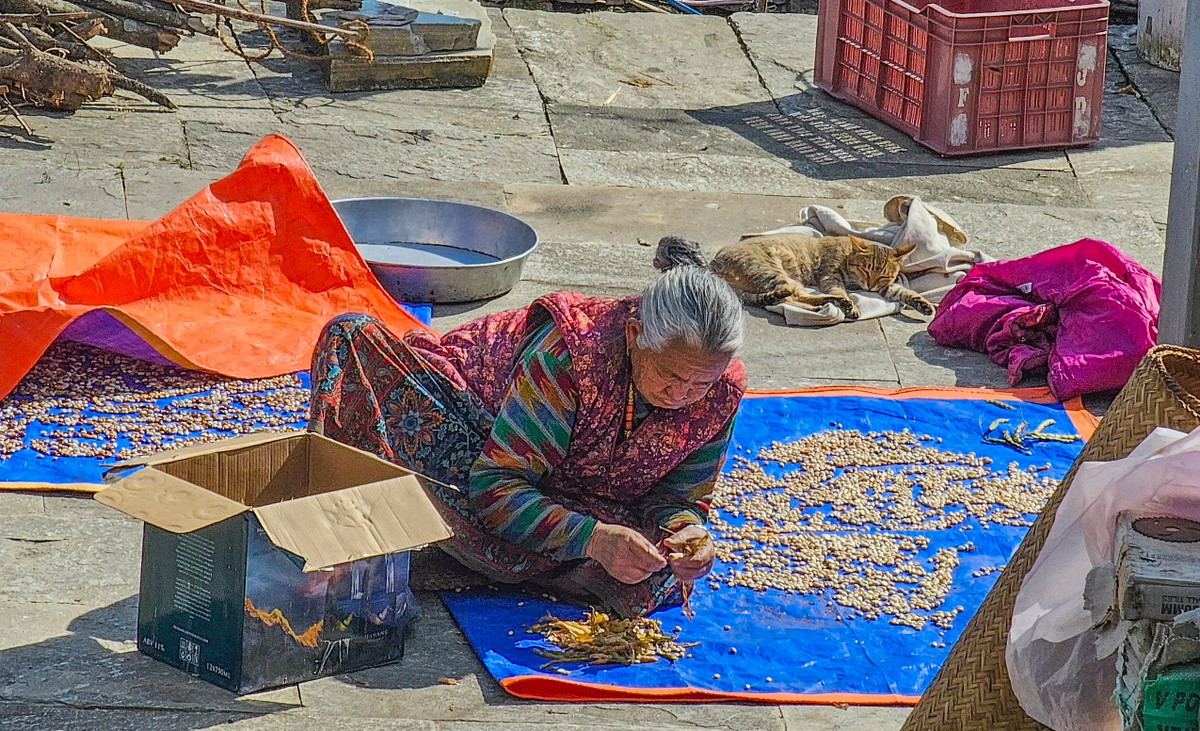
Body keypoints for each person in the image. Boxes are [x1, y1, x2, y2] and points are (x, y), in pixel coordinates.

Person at [308, 266, 746, 617]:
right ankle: (480, 552)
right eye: (670, 375)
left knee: (650, 574)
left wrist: (687, 533)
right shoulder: (568, 357)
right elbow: (497, 486)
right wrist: (593, 540)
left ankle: (470, 554)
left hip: (576, 491)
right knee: (354, 343)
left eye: (699, 383)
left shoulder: (721, 392)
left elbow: (678, 497)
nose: (680, 395)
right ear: (635, 337)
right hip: (477, 436)